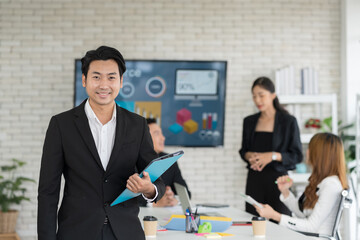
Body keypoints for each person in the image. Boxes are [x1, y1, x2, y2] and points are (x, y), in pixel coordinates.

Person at [37, 46, 165, 240]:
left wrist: (148, 188)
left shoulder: (137, 125)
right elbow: (48, 191)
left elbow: (156, 180)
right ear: (84, 80)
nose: (104, 85)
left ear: (121, 82)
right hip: (76, 232)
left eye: (111, 77)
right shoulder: (61, 125)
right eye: (96, 77)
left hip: (125, 232)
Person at [255, 133, 348, 236]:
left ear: (321, 155)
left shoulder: (331, 185)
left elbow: (311, 226)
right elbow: (302, 213)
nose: (307, 152)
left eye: (310, 148)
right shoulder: (324, 181)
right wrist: (285, 192)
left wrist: (275, 215)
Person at [239, 76, 303, 217]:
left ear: (273, 95)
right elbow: (243, 151)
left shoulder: (288, 122)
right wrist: (249, 156)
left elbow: (297, 156)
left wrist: (272, 156)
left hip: (279, 181)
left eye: (261, 95)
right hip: (254, 181)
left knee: (280, 225)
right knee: (253, 222)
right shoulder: (249, 121)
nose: (257, 100)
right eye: (254, 96)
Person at [137, 118, 191, 207]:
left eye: (161, 133)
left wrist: (174, 199)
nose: (163, 138)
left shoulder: (170, 161)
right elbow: (124, 196)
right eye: (157, 134)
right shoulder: (131, 160)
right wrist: (153, 203)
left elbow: (186, 194)